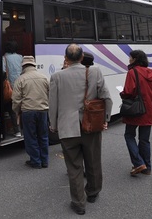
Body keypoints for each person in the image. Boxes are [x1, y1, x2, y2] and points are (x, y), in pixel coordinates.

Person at [49, 44, 113, 215]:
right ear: (82, 56)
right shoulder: (95, 72)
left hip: (67, 128)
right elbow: (107, 97)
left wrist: (53, 125)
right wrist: (105, 119)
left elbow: (53, 105)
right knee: (93, 161)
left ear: (66, 58)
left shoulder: (57, 76)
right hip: (91, 125)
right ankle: (92, 192)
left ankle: (78, 203)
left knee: (74, 166)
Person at [120, 49, 152, 176]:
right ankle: (147, 167)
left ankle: (138, 163)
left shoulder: (132, 72)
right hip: (148, 109)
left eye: (130, 57)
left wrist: (122, 93)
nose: (129, 59)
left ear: (135, 59)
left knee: (129, 135)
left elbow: (129, 91)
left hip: (136, 109)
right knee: (144, 139)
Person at [12, 56, 49, 169]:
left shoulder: (21, 79)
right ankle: (45, 161)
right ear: (34, 65)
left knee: (30, 137)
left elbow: (16, 99)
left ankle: (36, 161)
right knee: (43, 136)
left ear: (23, 66)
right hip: (43, 111)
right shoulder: (44, 77)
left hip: (28, 111)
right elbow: (51, 93)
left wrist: (17, 111)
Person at [1, 41, 22, 138]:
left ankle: (16, 130)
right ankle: (22, 129)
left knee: (11, 109)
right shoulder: (20, 57)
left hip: (10, 88)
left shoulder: (4, 58)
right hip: (21, 86)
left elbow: (4, 72)